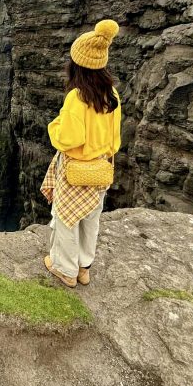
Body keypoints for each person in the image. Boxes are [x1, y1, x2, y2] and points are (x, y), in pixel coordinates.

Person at [40, 19, 122, 287]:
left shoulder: (77, 98)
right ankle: (84, 267)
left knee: (66, 219)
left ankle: (66, 270)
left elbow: (67, 139)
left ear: (77, 64)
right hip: (100, 169)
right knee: (90, 219)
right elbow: (115, 140)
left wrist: (54, 125)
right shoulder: (112, 96)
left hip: (75, 169)